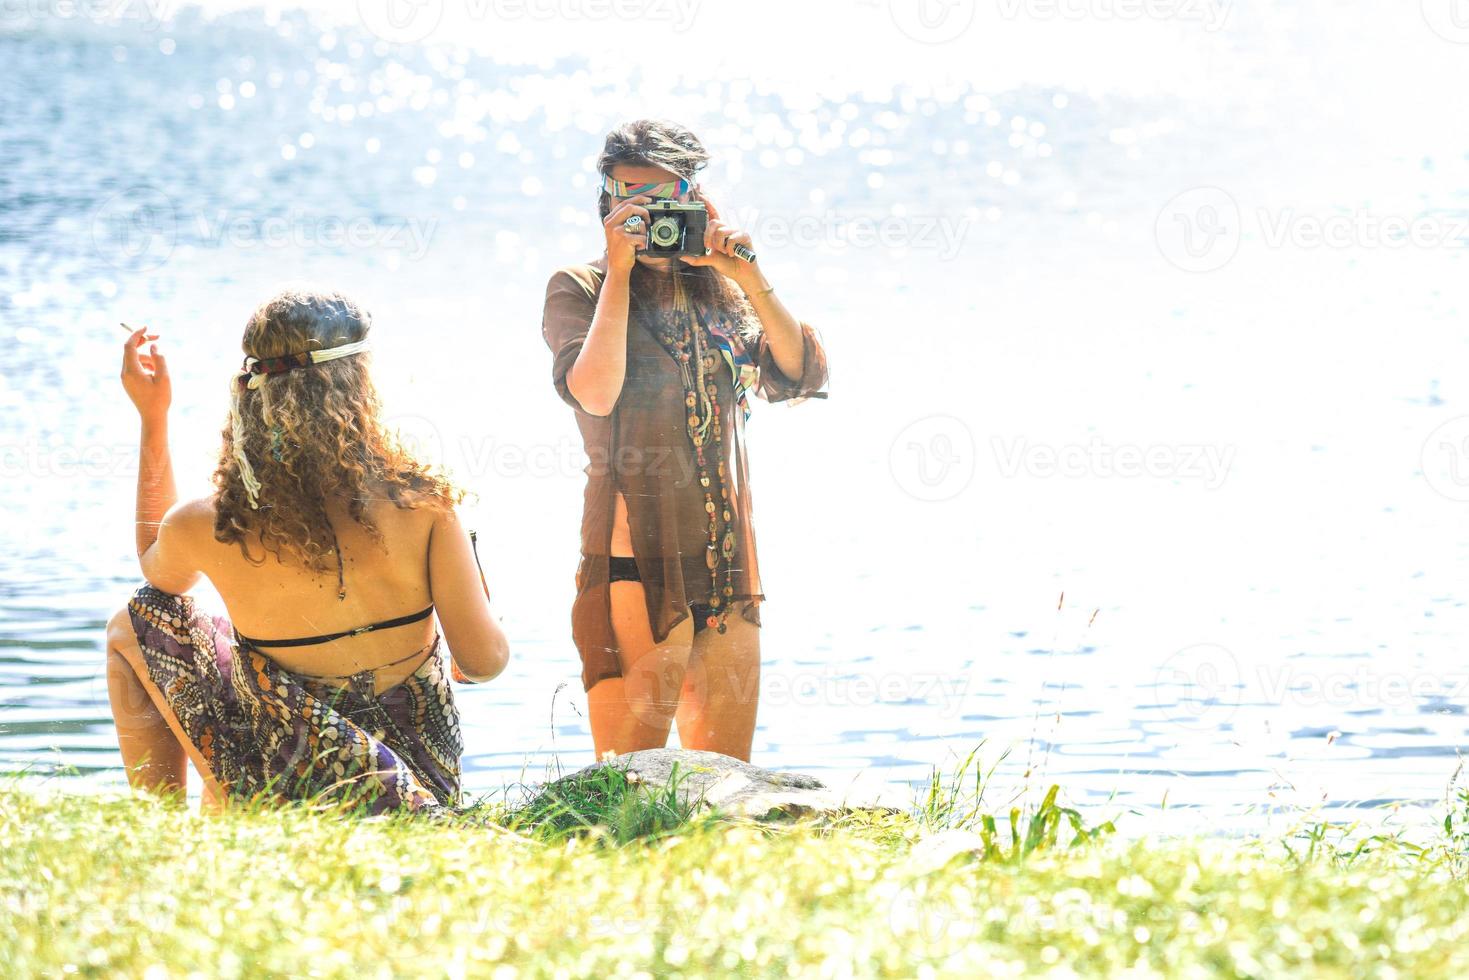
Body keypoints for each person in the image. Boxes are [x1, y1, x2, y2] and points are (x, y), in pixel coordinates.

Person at [105, 288, 508, 814]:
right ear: (361, 387)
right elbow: (482, 663)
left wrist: (153, 417)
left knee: (137, 618)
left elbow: (156, 570)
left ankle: (157, 828)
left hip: (287, 782)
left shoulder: (211, 522)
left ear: (252, 391)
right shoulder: (424, 502)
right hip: (419, 782)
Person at [542, 119, 829, 762]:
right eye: (636, 200)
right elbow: (594, 391)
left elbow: (799, 374)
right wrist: (619, 275)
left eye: (668, 199)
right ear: (607, 202)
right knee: (627, 785)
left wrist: (747, 275)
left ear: (696, 199)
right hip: (637, 566)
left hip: (728, 566)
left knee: (728, 784)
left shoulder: (721, 289)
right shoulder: (580, 288)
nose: (651, 216)